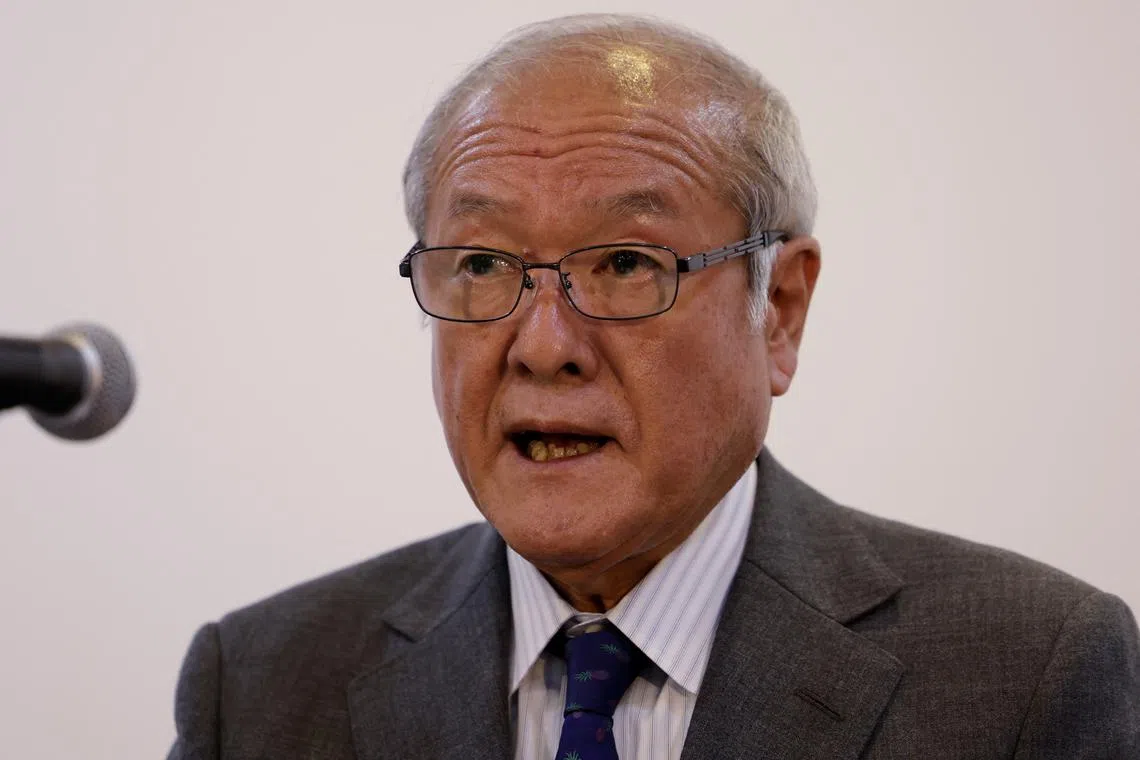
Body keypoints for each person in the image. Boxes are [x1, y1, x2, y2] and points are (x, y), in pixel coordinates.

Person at [167, 13, 1140, 760]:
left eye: (627, 262)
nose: (543, 344)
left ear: (781, 310)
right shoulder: (259, 686)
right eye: (479, 264)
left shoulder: (1027, 675)